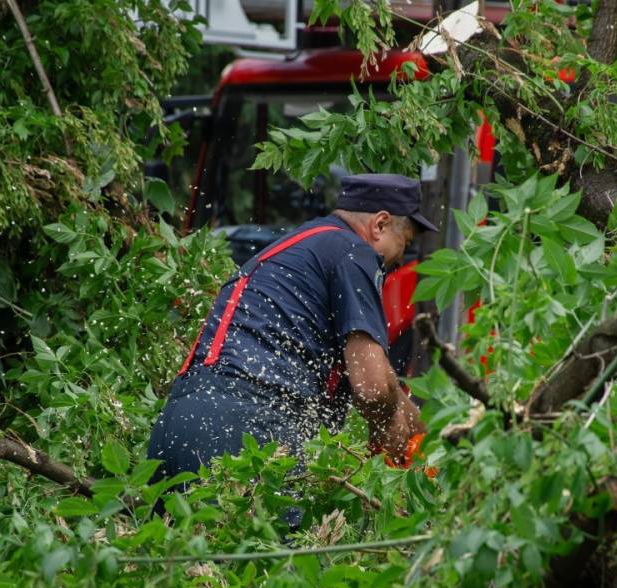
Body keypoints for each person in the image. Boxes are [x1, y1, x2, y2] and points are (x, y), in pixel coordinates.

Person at [147, 173, 438, 484]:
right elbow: (373, 388)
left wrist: (416, 425)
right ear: (380, 225)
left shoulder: (300, 248)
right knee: (273, 532)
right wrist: (391, 427)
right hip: (247, 426)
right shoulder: (353, 252)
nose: (398, 261)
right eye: (404, 244)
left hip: (176, 422)